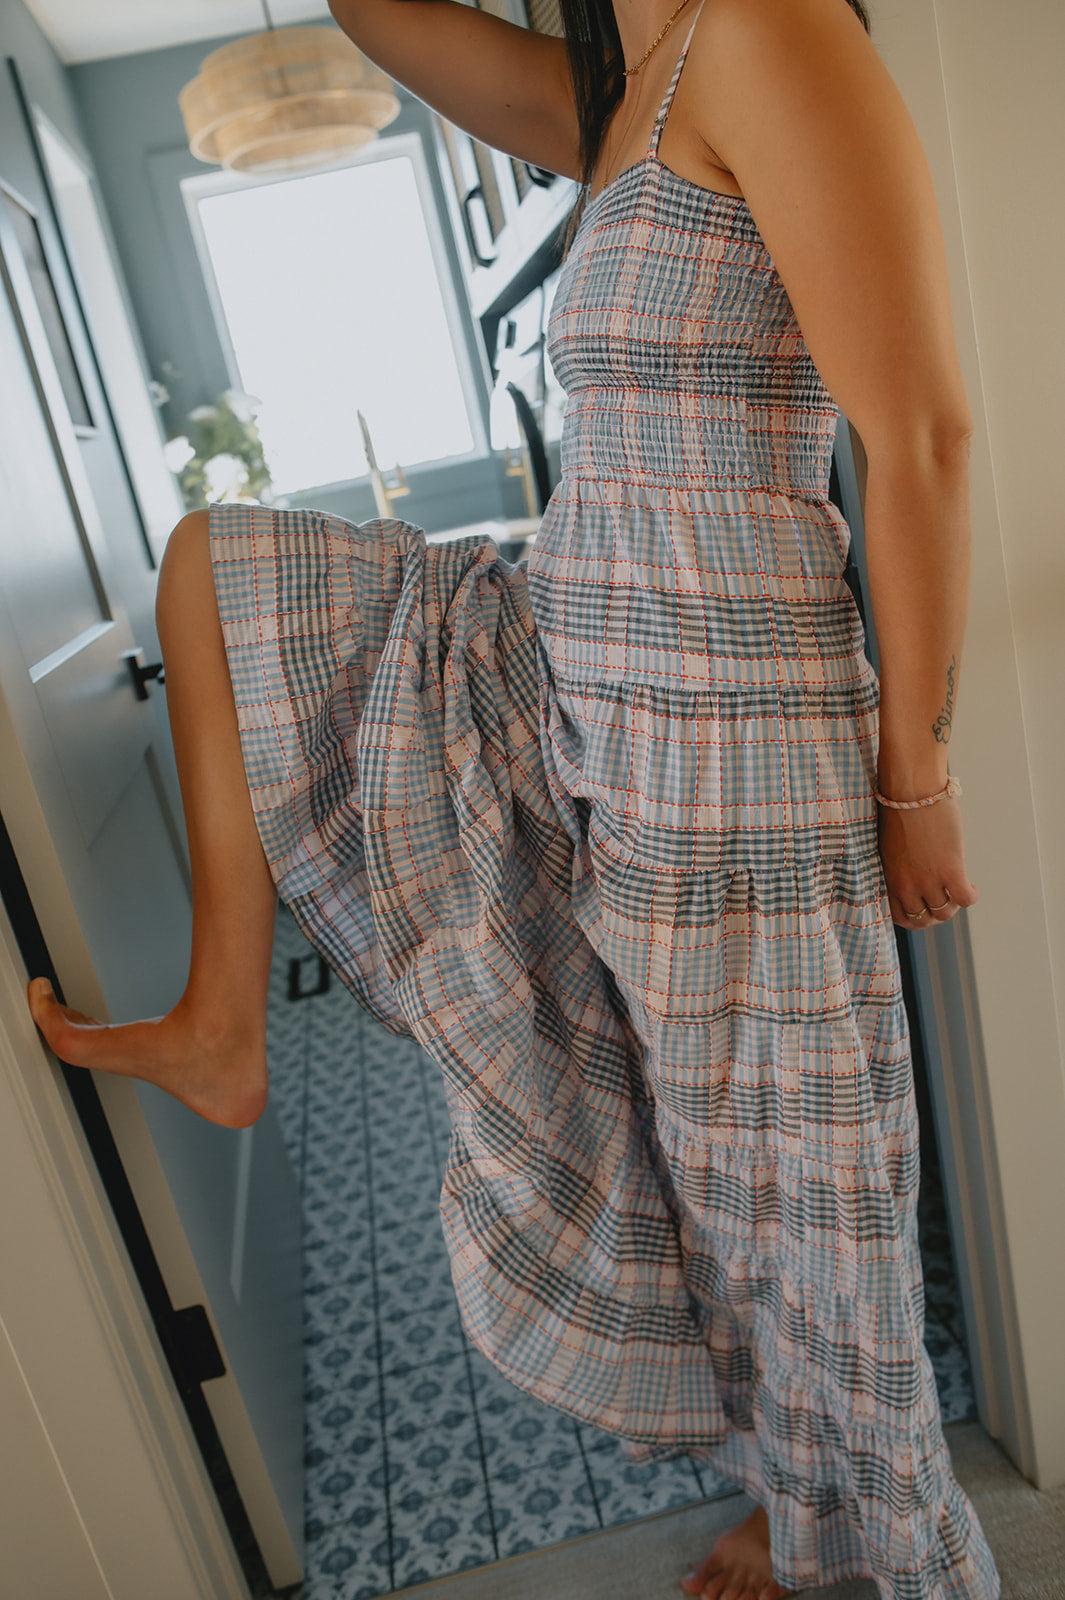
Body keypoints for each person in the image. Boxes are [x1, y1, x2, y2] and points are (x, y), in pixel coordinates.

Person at [28, 0, 1001, 1595]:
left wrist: (915, 778)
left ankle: (897, 1551)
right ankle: (224, 1027)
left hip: (730, 749)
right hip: (573, 689)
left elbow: (922, 436)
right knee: (220, 570)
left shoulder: (766, 26)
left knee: (808, 1221)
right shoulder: (618, 94)